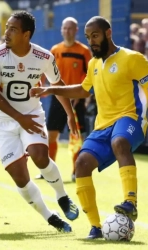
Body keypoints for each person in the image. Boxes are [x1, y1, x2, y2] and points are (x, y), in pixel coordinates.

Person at [30, 16, 148, 239]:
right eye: (88, 37)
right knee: (82, 164)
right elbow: (85, 91)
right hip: (103, 125)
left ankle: (130, 202)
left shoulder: (131, 58)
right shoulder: (94, 63)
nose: (91, 41)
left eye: (95, 36)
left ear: (108, 33)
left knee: (119, 142)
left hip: (130, 119)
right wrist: (51, 90)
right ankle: (95, 227)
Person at [0, 11, 79, 232]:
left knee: (39, 155)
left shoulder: (44, 57)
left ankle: (62, 196)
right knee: (20, 177)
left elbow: (58, 84)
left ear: (26, 35)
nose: (6, 33)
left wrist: (70, 114)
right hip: (2, 122)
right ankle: (50, 216)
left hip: (32, 115)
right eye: (7, 27)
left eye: (13, 29)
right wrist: (19, 118)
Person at [35, 17, 92, 182]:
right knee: (51, 135)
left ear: (76, 30)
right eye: (65, 28)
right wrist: (42, 86)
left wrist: (80, 94)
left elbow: (88, 75)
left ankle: (76, 171)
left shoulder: (83, 52)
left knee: (77, 136)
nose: (67, 31)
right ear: (61, 30)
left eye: (70, 28)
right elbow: (46, 71)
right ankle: (48, 171)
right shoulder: (55, 50)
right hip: (57, 98)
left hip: (77, 100)